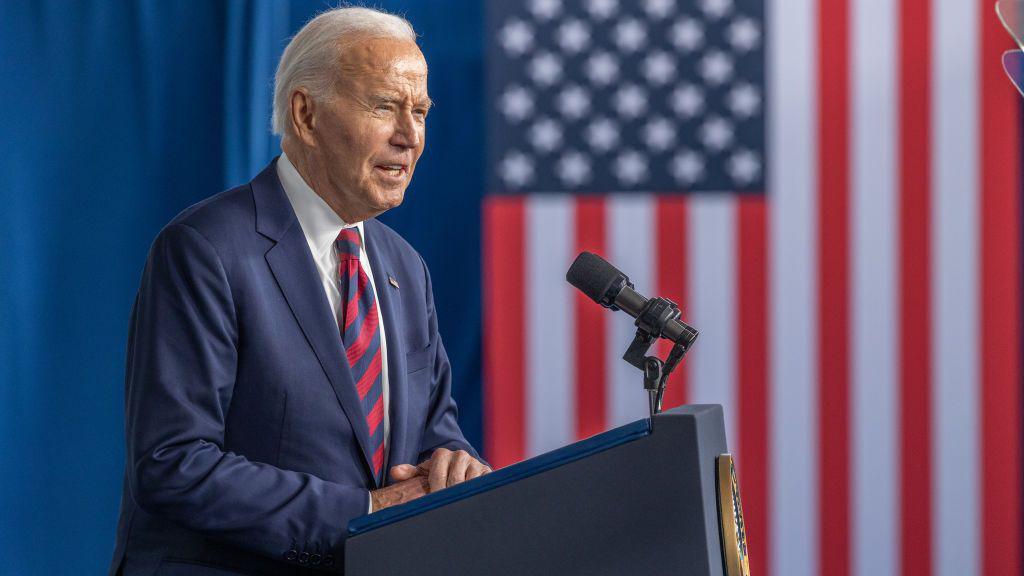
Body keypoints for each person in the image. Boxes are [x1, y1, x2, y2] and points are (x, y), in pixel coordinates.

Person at [108, 7, 489, 575]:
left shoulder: (406, 269)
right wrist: (364, 511)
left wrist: (453, 471)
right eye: (385, 106)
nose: (409, 137)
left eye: (420, 111)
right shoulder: (205, 248)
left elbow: (435, 434)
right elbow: (173, 463)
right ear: (306, 114)